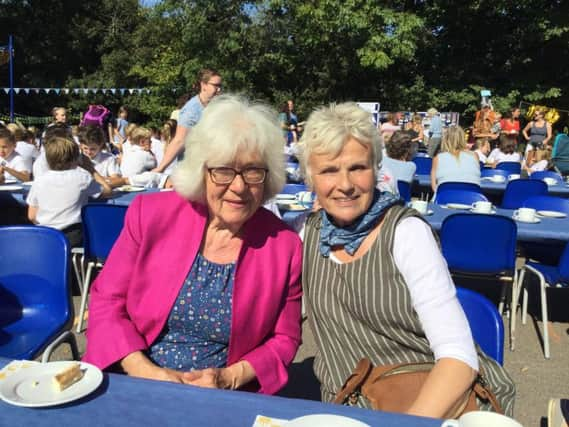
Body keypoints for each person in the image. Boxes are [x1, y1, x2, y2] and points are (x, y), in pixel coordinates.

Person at [297, 102, 514, 418]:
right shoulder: (307, 234)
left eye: (357, 167)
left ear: (376, 168)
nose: (344, 185)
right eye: (329, 170)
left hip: (426, 403)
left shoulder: (406, 233)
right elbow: (276, 320)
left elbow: (458, 358)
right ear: (310, 178)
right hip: (345, 409)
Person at [83, 94, 303, 395]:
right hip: (133, 375)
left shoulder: (284, 246)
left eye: (253, 171)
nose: (238, 187)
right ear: (202, 170)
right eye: (224, 170)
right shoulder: (151, 215)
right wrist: (144, 371)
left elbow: (284, 338)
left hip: (223, 394)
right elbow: (107, 301)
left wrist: (229, 377)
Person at [26, 137, 112, 247]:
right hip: (73, 235)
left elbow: (32, 216)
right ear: (76, 159)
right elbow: (107, 191)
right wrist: (91, 169)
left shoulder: (39, 180)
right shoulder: (82, 178)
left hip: (45, 235)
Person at [154, 68, 222, 173]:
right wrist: (161, 167)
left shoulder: (217, 105)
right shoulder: (191, 110)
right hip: (193, 169)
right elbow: (179, 141)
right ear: (203, 85)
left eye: (220, 86)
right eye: (215, 85)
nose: (219, 89)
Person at [431, 126, 481, 192]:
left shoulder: (438, 158)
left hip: (445, 198)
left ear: (445, 139)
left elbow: (434, 187)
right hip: (471, 198)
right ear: (463, 139)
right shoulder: (474, 155)